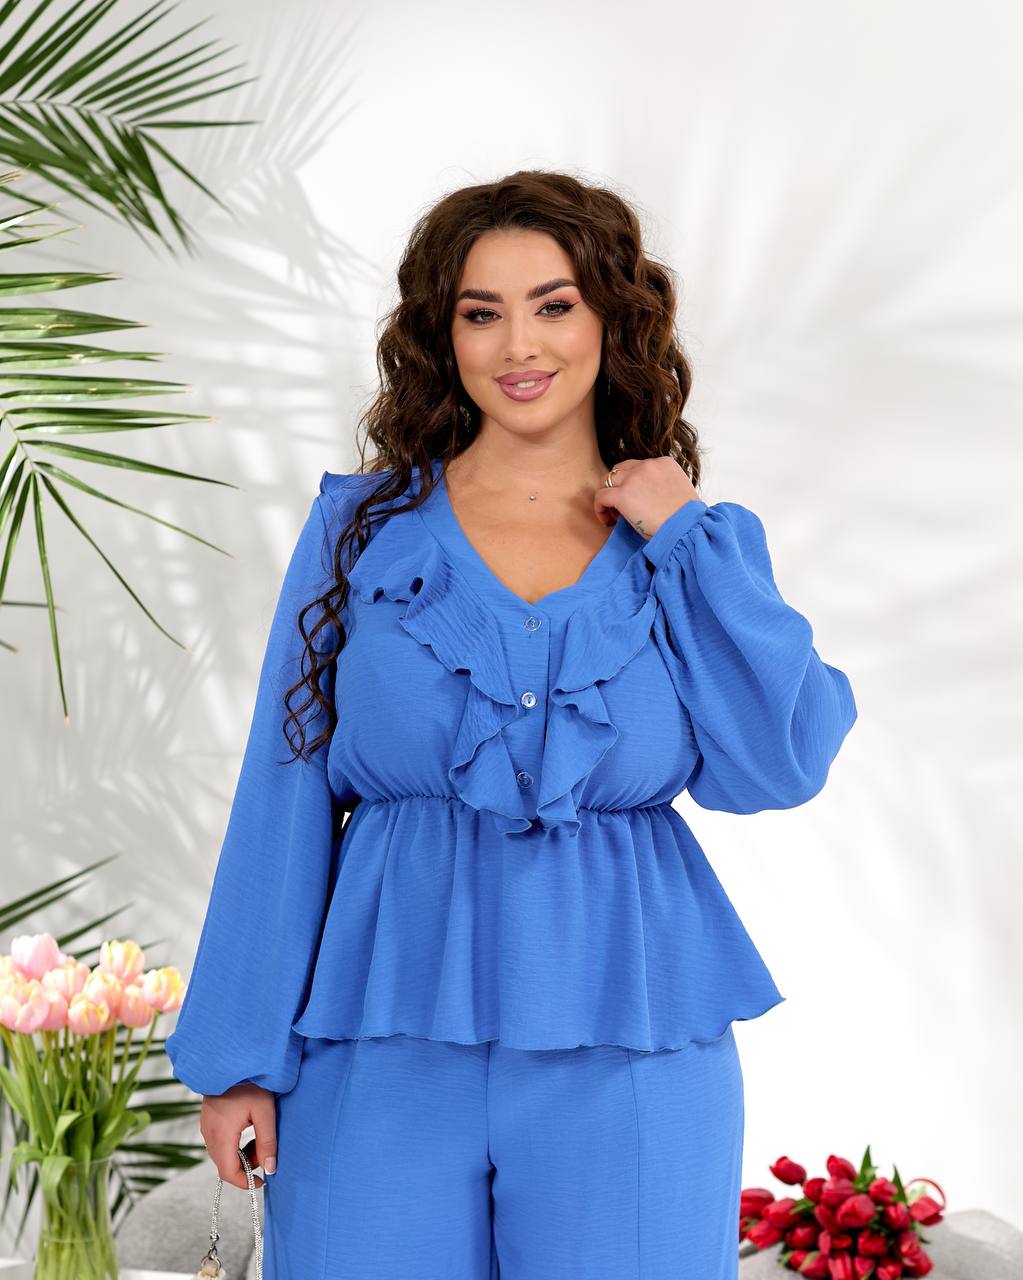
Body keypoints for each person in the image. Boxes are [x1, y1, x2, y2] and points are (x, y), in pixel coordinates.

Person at [166, 169, 858, 1280]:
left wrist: (683, 532)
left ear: (612, 320)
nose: (519, 344)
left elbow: (780, 761)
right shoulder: (362, 530)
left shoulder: (691, 544)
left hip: (631, 1037)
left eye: (555, 304)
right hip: (378, 1038)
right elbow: (282, 784)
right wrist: (239, 1056)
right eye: (481, 312)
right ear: (442, 337)